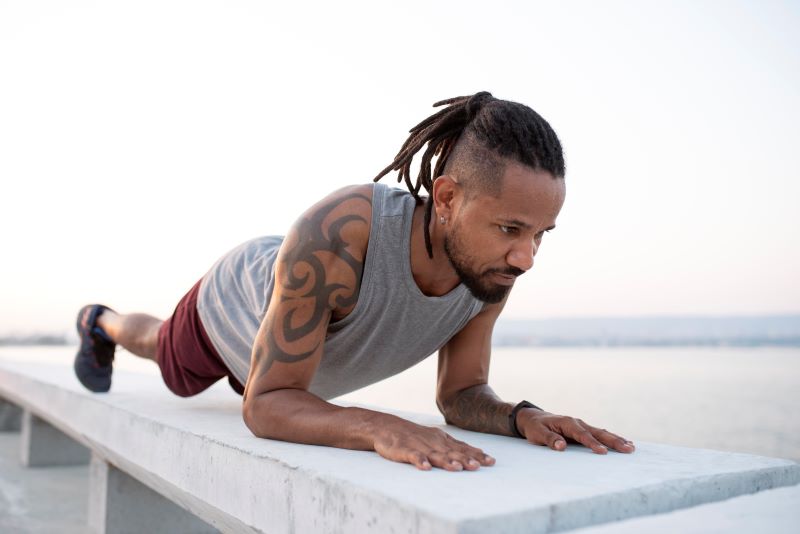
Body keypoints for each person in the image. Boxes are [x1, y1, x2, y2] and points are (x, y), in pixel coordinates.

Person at [74, 92, 635, 472]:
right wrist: (375, 426)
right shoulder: (341, 233)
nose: (527, 256)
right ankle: (100, 321)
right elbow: (265, 403)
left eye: (541, 234)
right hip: (234, 306)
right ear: (446, 199)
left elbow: (461, 396)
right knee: (163, 356)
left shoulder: (491, 266)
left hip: (291, 359)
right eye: (512, 228)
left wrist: (522, 417)